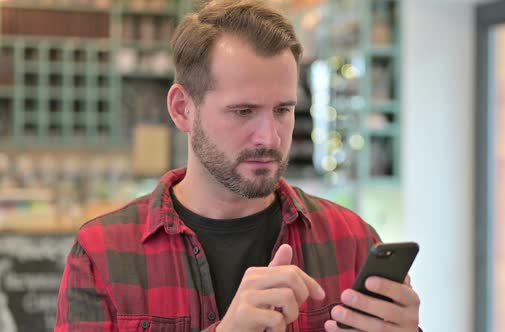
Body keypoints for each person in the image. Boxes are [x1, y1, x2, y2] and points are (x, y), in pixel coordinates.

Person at [55, 0, 421, 331]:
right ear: (183, 108)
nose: (270, 138)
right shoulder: (103, 254)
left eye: (283, 110)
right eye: (243, 111)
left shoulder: (352, 241)